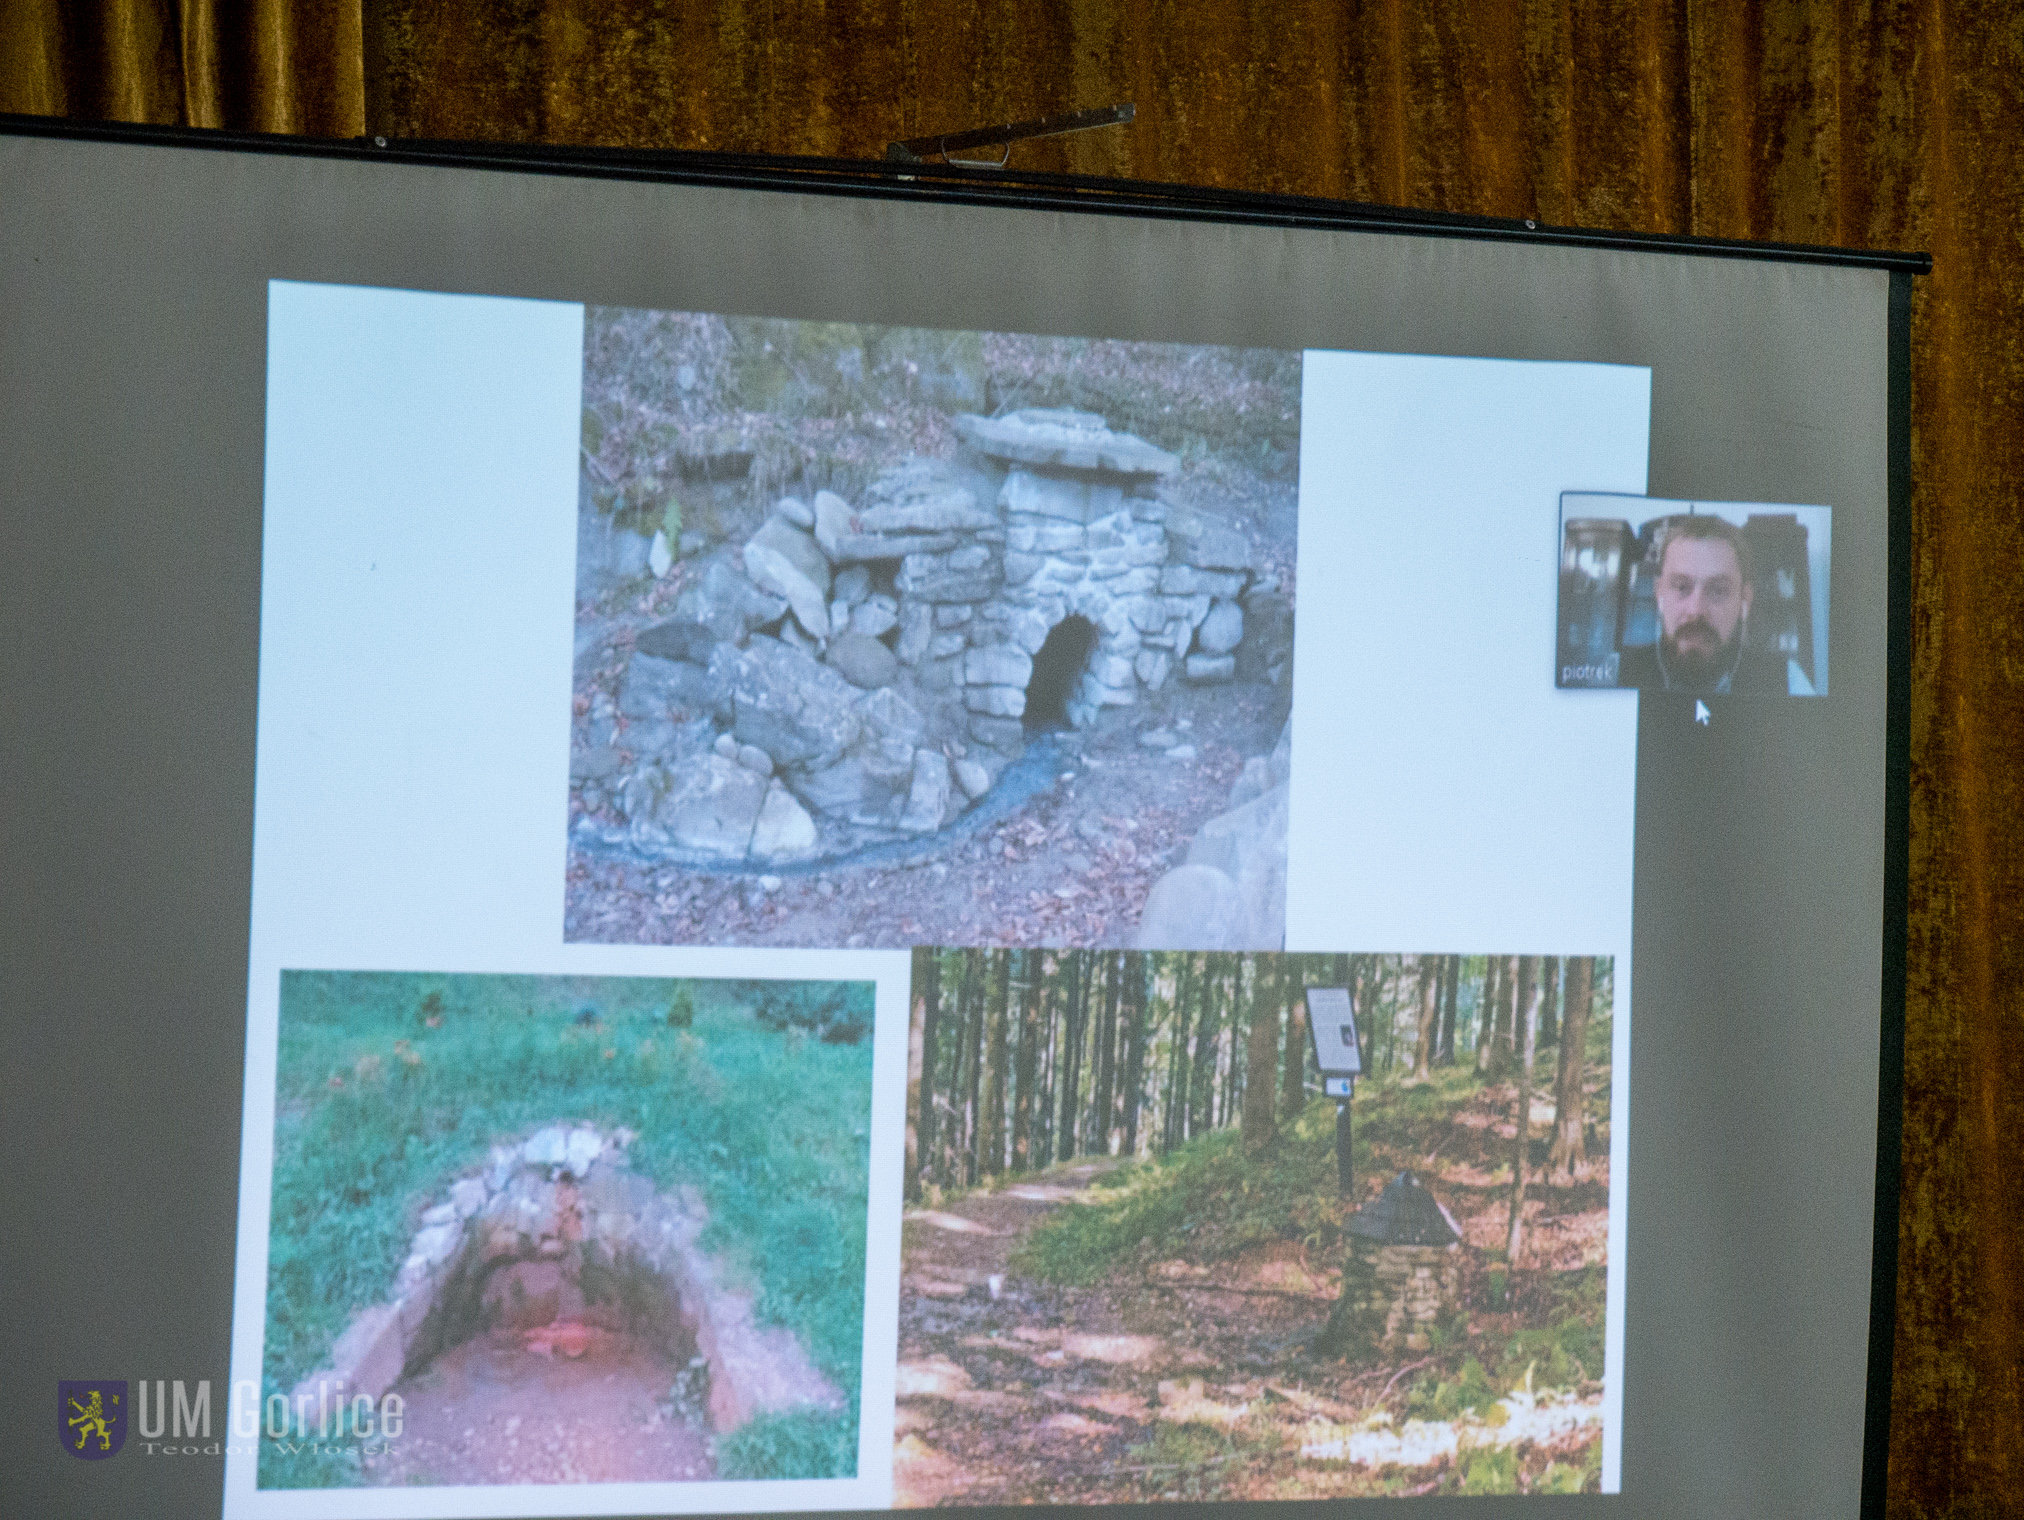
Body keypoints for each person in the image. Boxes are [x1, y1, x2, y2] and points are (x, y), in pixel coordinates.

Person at [1616, 515, 1791, 694]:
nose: (1696, 610)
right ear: (1659, 592)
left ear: (1744, 599)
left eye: (1718, 590)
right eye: (1682, 587)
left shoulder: (1788, 681)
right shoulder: (1616, 676)